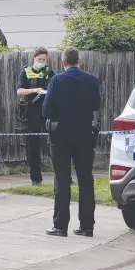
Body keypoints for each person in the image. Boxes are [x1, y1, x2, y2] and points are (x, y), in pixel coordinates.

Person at [42, 47, 101, 238]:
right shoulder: (92, 80)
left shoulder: (57, 80)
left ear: (63, 62)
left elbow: (46, 111)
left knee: (62, 179)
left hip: (61, 136)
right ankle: (87, 226)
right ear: (80, 61)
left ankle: (60, 226)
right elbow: (96, 105)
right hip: (84, 134)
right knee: (85, 178)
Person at [16, 47, 56, 186]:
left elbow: (56, 87)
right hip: (31, 111)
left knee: (57, 143)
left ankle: (64, 177)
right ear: (34, 57)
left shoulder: (50, 72)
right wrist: (34, 90)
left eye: (44, 60)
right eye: (40, 59)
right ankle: (36, 178)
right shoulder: (26, 72)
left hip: (47, 110)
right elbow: (20, 91)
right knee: (33, 146)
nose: (42, 62)